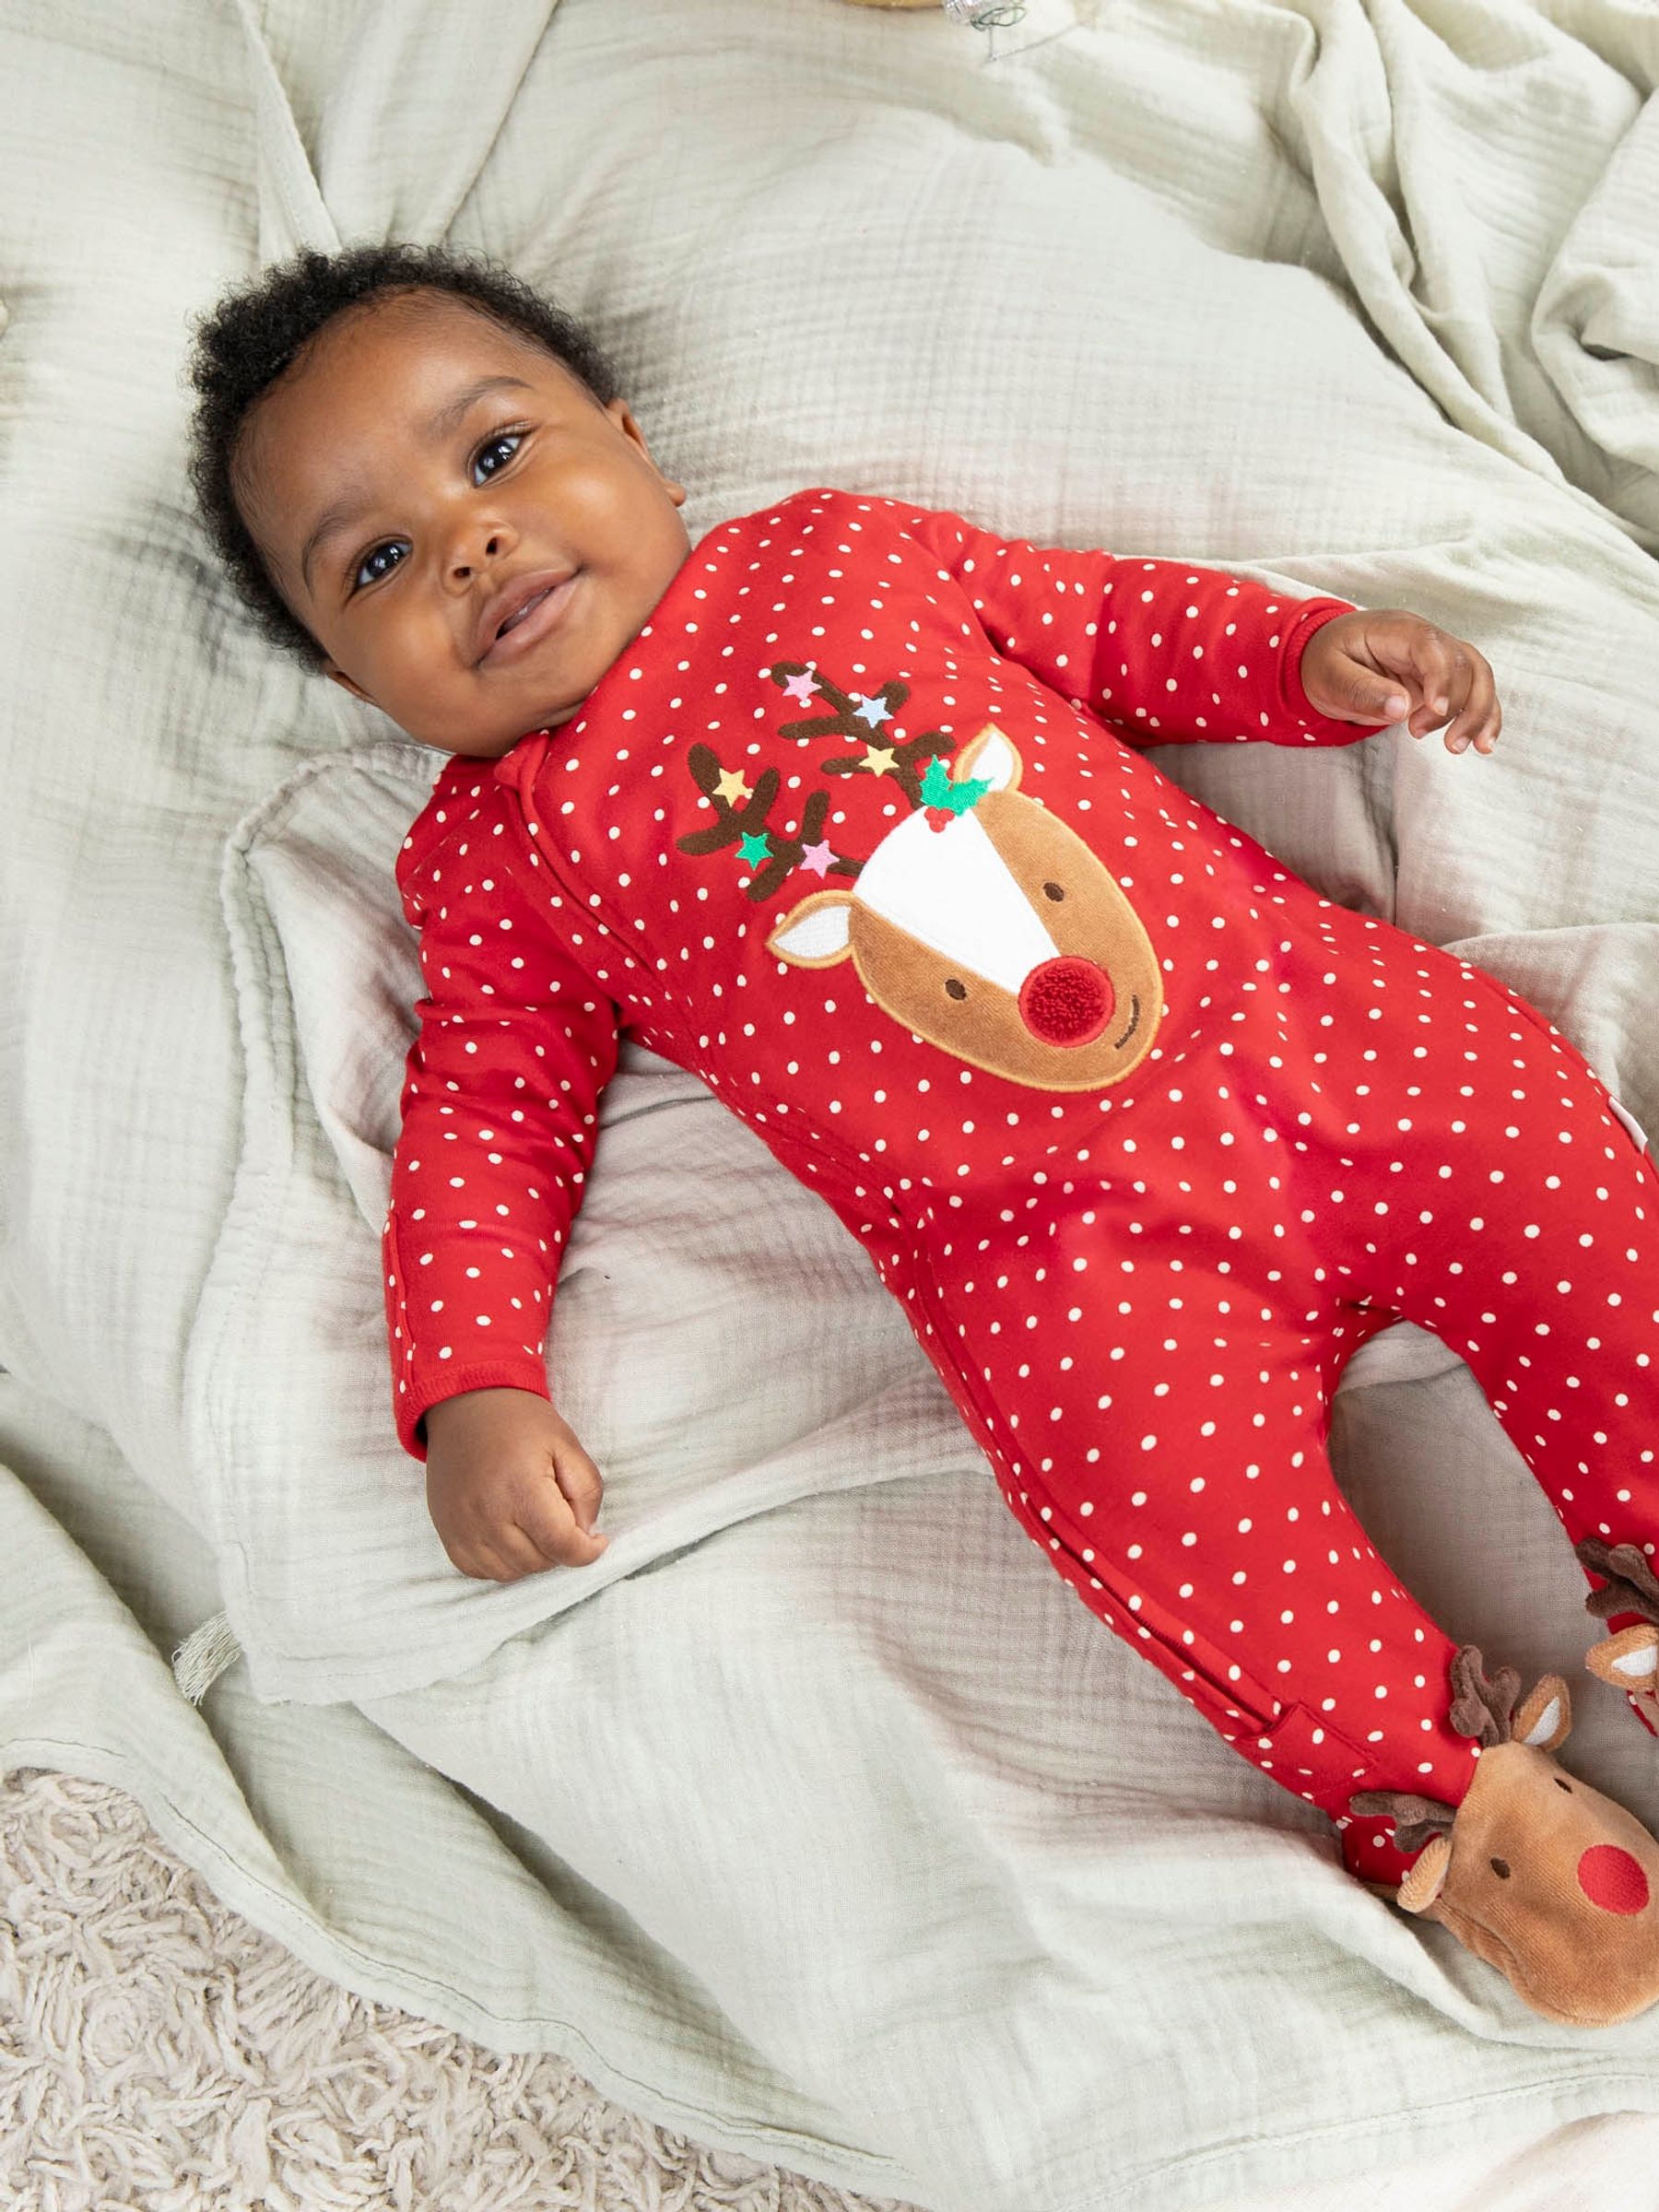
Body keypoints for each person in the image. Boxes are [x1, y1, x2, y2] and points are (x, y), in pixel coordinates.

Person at [187, 241, 1659, 2025]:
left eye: (494, 455)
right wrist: (471, 1378)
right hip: (1062, 1266)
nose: (470, 544)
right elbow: (489, 1108)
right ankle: (1473, 1810)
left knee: (1560, 1193)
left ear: (633, 442)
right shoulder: (503, 852)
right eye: (377, 562)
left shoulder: (833, 557)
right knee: (1162, 1517)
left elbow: (1104, 626)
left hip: (1315, 1038)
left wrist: (1300, 658)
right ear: (352, 679)